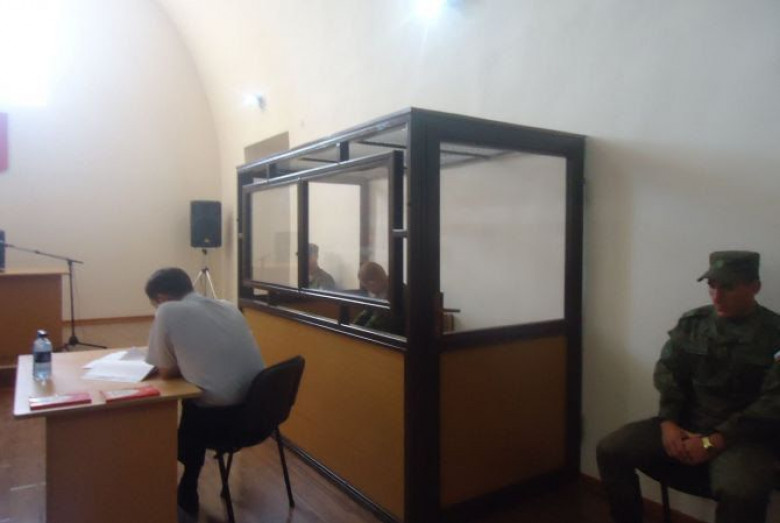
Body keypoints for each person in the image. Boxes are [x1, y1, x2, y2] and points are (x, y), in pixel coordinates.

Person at [597, 251, 780, 523]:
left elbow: (773, 403)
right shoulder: (694, 324)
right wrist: (668, 422)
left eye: (728, 287)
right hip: (687, 423)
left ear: (755, 287)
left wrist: (712, 441)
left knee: (741, 493)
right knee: (611, 449)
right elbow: (668, 372)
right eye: (712, 286)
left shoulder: (774, 333)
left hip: (743, 437)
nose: (717, 296)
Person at [143, 267, 265, 518]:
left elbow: (166, 372)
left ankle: (188, 484)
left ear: (162, 298)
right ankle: (188, 482)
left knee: (192, 402)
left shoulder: (168, 311)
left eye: (154, 303)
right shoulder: (228, 306)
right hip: (260, 415)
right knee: (201, 392)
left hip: (220, 423)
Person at [353, 261, 402, 334]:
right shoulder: (380, 290)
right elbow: (366, 314)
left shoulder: (398, 292)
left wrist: (359, 333)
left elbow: (376, 322)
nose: (368, 289)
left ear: (372, 282)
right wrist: (353, 328)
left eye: (367, 285)